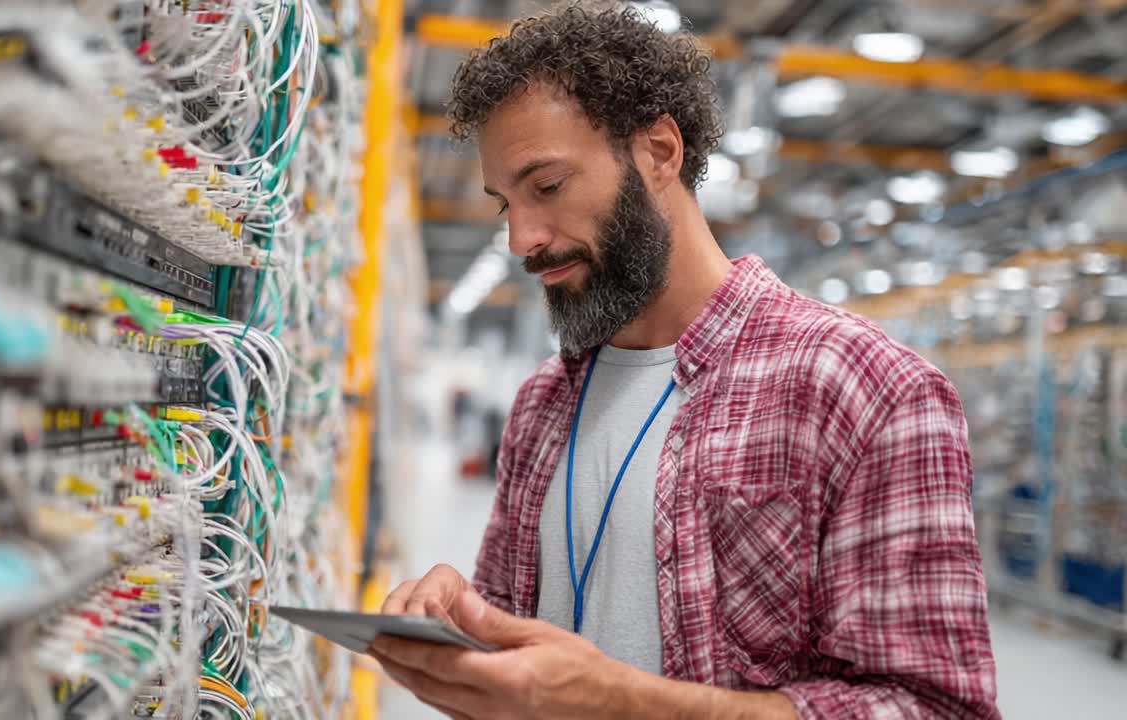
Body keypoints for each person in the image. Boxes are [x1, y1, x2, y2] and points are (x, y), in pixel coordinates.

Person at [371, 5, 999, 718]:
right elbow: (519, 664)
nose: (521, 238)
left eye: (546, 187)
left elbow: (936, 709)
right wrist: (465, 622)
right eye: (503, 203)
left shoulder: (866, 391)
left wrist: (623, 702)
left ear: (660, 152)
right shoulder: (545, 404)